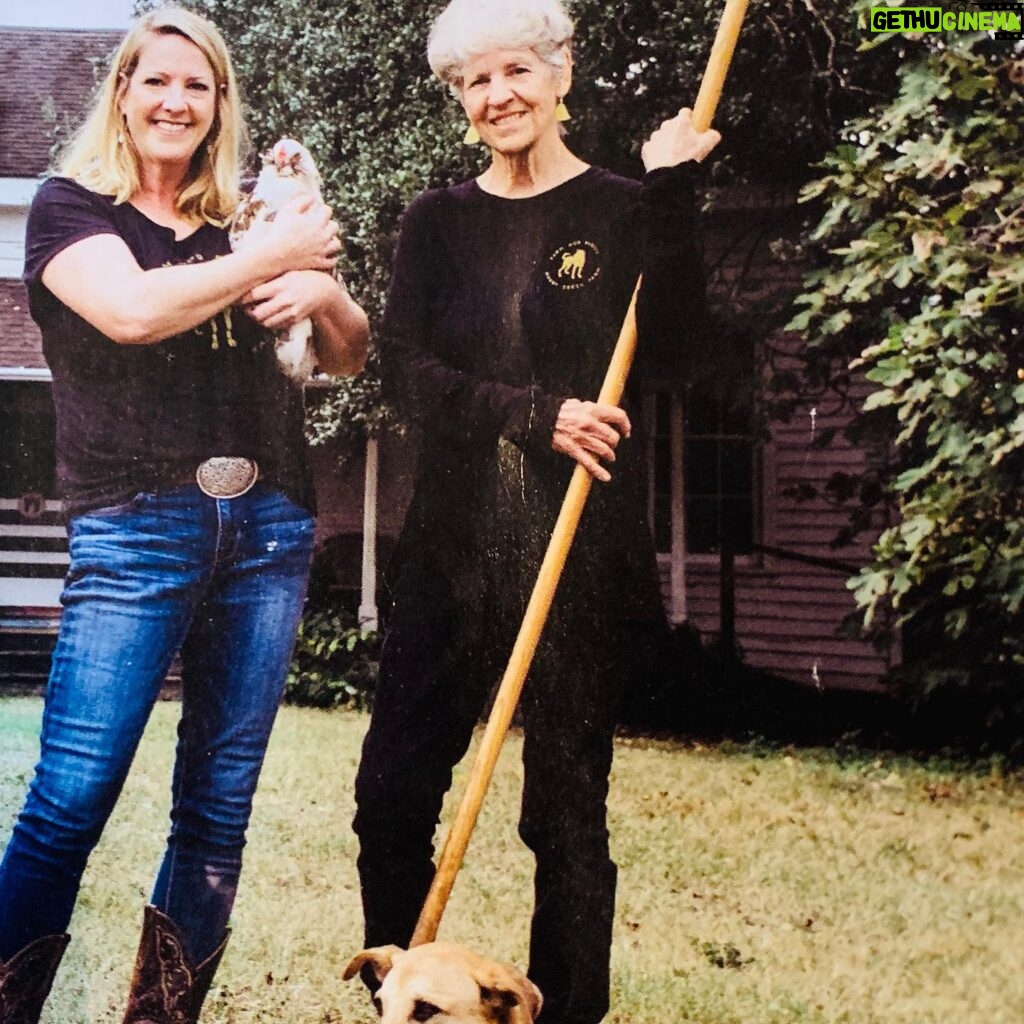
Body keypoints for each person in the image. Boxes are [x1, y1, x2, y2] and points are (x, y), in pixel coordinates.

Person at [351, 1, 719, 1022]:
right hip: (451, 550)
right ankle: (406, 998)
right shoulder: (436, 220)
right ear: (458, 100)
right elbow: (407, 372)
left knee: (562, 815)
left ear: (561, 73)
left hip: (574, 554)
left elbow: (681, 354)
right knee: (390, 793)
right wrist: (534, 413)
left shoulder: (618, 207)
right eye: (472, 81)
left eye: (515, 69)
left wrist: (674, 194)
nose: (495, 95)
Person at [0, 7, 368, 1024]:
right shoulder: (70, 209)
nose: (175, 101)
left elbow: (343, 352)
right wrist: (271, 253)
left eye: (198, 86)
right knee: (71, 797)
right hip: (135, 529)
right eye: (156, 80)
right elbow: (132, 311)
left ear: (219, 108)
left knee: (216, 812)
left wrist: (319, 284)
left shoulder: (243, 228)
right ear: (122, 93)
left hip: (269, 532)